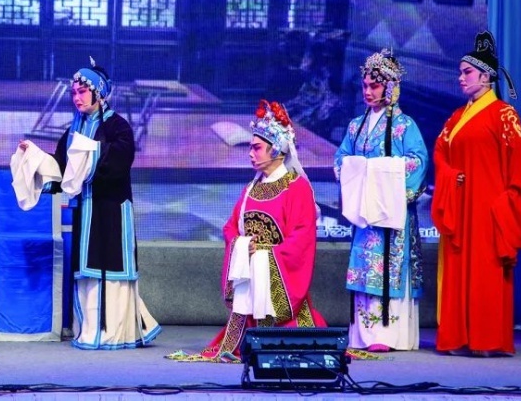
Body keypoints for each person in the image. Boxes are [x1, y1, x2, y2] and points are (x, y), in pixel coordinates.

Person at [17, 61, 160, 349]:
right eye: (74, 93)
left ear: (100, 93)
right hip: (86, 210)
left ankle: (115, 332)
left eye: (82, 92)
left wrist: (88, 153)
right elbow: (61, 168)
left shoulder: (118, 126)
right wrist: (34, 157)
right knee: (88, 271)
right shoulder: (74, 129)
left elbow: (120, 161)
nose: (77, 97)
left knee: (111, 270)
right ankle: (90, 330)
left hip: (111, 211)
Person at [169, 100, 326, 362]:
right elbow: (231, 226)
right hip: (251, 270)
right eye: (251, 148)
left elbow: (302, 237)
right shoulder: (252, 188)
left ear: (276, 150)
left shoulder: (296, 188)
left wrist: (266, 253)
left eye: (256, 148)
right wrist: (241, 244)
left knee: (295, 342)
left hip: (277, 276)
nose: (250, 154)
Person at [432, 31, 521, 356]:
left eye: (467, 72)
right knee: (460, 268)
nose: (460, 78)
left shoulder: (504, 115)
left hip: (489, 209)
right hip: (461, 206)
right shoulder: (456, 118)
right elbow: (440, 151)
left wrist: (505, 202)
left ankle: (487, 340)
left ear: (486, 77)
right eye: (460, 73)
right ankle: (459, 337)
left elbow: (519, 166)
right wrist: (450, 176)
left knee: (485, 271)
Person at [334, 50, 428, 352]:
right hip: (365, 215)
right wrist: (356, 169)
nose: (367, 92)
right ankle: (363, 333)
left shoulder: (404, 126)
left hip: (391, 216)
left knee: (389, 268)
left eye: (374, 86)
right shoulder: (355, 126)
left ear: (390, 86)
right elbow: (341, 159)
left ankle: (388, 334)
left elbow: (418, 161)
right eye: (364, 86)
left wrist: (380, 171)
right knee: (366, 269)